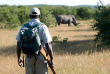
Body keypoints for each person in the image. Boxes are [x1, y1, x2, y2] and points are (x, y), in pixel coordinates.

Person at [16, 7, 54, 74]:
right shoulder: (43, 27)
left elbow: (18, 43)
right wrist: (51, 58)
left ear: (30, 16)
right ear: (39, 16)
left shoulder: (24, 27)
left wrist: (19, 57)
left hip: (28, 57)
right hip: (41, 56)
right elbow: (48, 44)